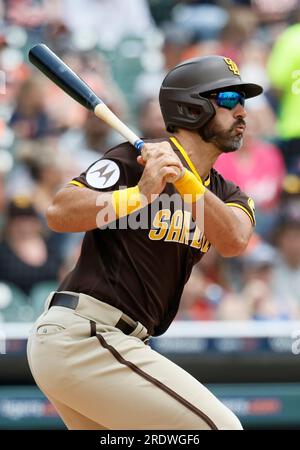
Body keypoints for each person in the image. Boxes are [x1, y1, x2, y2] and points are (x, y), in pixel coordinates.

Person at [27, 55, 261, 430]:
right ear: (192, 108)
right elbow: (59, 212)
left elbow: (234, 240)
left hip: (119, 345)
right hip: (85, 334)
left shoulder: (226, 193)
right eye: (230, 99)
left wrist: (185, 181)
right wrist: (137, 195)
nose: (243, 113)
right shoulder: (131, 162)